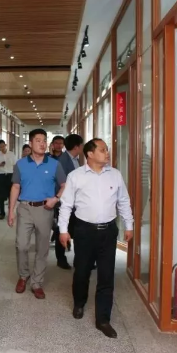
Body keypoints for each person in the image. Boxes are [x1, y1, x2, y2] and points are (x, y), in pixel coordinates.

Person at [58, 138, 134, 339]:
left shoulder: (115, 175)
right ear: (90, 154)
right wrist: (63, 230)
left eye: (106, 149)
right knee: (82, 271)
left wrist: (129, 224)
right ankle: (79, 302)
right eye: (102, 150)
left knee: (107, 275)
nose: (106, 153)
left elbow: (123, 201)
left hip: (108, 231)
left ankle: (103, 319)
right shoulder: (76, 176)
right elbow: (66, 205)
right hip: (84, 231)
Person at [7, 129, 66, 299]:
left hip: (45, 209)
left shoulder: (54, 164)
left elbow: (65, 185)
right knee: (21, 245)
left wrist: (56, 199)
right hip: (25, 207)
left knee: (42, 247)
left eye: (44, 140)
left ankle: (37, 282)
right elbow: (15, 187)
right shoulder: (20, 164)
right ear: (31, 143)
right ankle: (23, 275)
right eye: (38, 140)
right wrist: (11, 211)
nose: (42, 143)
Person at [52, 134, 84, 269]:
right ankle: (61, 259)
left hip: (77, 203)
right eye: (81, 145)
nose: (82, 147)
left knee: (77, 232)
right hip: (66, 202)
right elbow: (61, 183)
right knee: (62, 230)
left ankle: (80, 260)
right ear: (77, 146)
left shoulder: (76, 159)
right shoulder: (62, 161)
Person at [0, 139, 17, 220]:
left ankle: (11, 212)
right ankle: (2, 213)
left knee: (11, 194)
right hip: (1, 176)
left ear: (5, 145)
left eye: (3, 146)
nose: (2, 148)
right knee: (1, 195)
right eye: (0, 147)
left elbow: (15, 165)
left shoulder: (11, 154)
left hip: (10, 175)